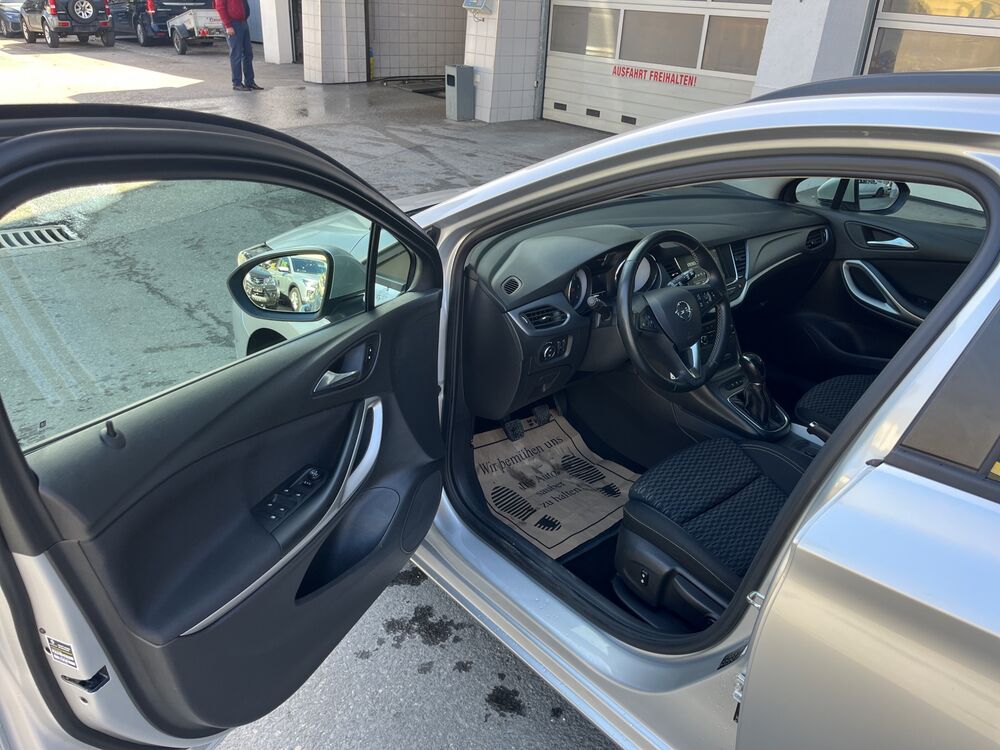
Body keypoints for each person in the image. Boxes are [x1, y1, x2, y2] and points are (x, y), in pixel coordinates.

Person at [215, 0, 262, 92]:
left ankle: (250, 82)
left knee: (248, 53)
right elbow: (220, 8)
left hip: (243, 22)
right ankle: (237, 83)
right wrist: (228, 26)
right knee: (236, 54)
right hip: (233, 24)